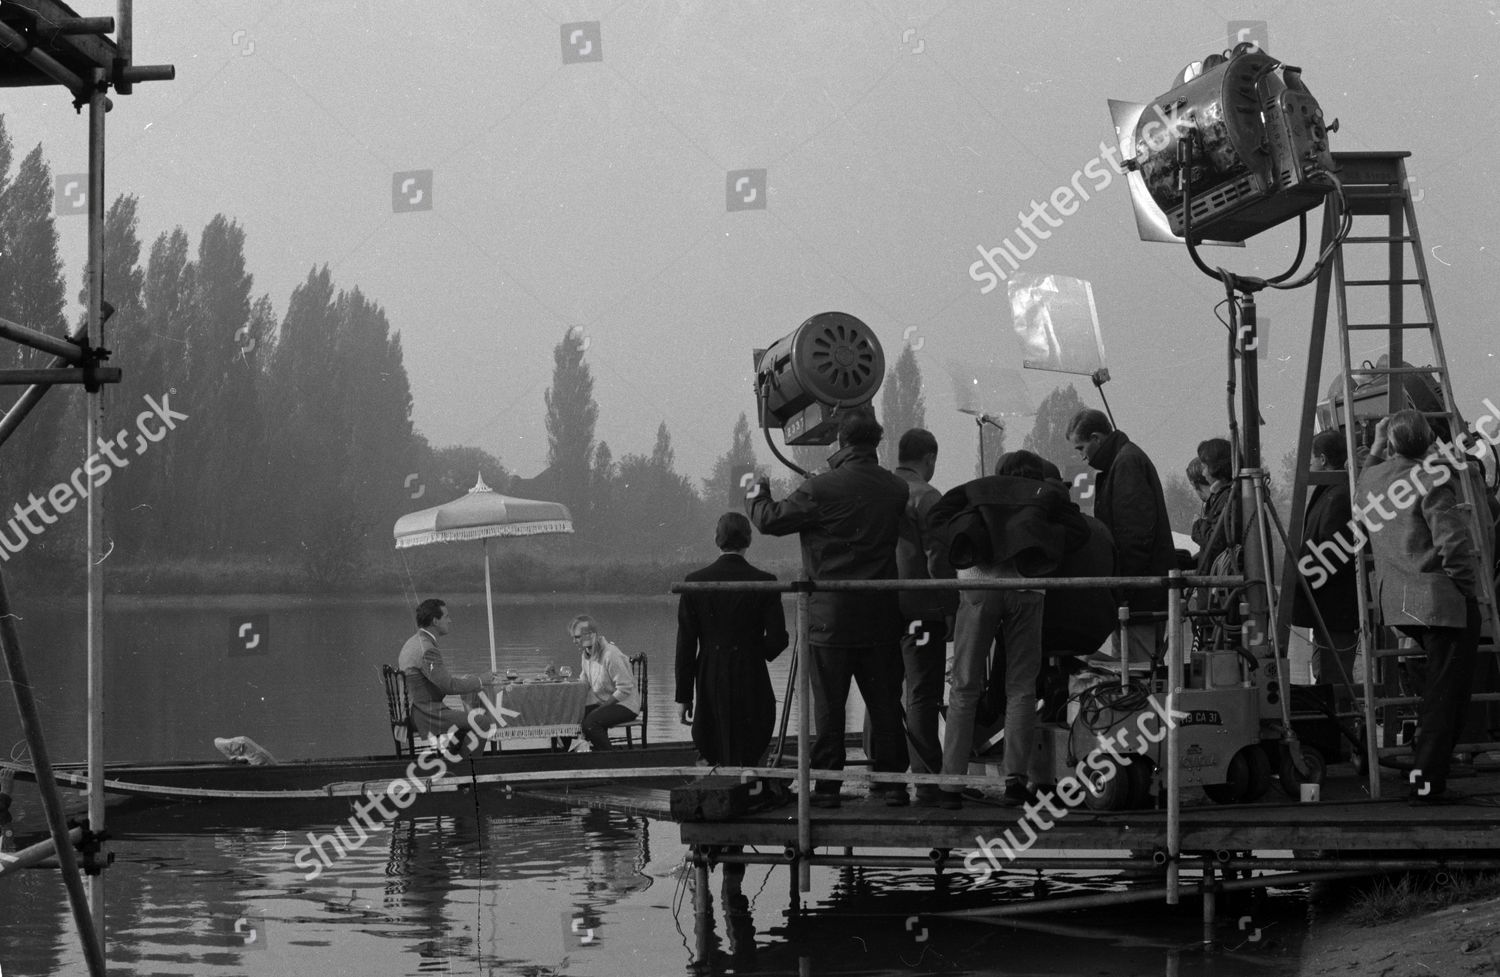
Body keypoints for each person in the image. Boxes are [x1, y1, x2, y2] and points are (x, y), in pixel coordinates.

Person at [746, 407, 910, 808]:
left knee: (830, 709)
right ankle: (892, 786)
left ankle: (828, 789)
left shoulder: (821, 489)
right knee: (885, 704)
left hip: (829, 620)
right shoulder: (896, 489)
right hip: (882, 617)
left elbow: (769, 520)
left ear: (841, 441)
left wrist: (755, 490)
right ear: (876, 442)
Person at [929, 449, 1090, 808]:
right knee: (1021, 687)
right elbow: (1079, 531)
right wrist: (1042, 542)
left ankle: (951, 784)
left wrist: (965, 540)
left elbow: (936, 516)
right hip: (1028, 588)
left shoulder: (978, 487)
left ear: (1001, 471)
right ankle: (1015, 781)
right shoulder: (1043, 494)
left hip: (979, 585)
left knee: (965, 684)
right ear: (1036, 473)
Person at [1357, 410, 1481, 802]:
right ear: (1429, 442)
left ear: (1391, 443)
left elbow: (1366, 472)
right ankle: (1426, 784)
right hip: (1438, 601)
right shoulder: (1432, 479)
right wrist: (1468, 588)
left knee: (1435, 694)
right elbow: (1453, 544)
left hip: (1398, 603)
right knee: (1447, 698)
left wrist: (1377, 443)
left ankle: (1424, 773)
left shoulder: (1371, 481)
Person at [675, 511, 790, 766]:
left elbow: (685, 644)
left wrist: (684, 696)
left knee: (713, 738)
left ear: (717, 540)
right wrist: (752, 650)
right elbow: (778, 639)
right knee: (751, 736)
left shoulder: (694, 582)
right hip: (751, 671)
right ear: (748, 540)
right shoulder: (765, 582)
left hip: (710, 673)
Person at [1066, 409, 1177, 663]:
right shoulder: (1124, 460)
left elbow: (1134, 536)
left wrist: (1123, 588)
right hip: (1139, 593)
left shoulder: (1126, 463)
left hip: (1139, 596)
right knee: (1132, 668)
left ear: (1096, 438)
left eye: (1081, 448)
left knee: (1136, 669)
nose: (1082, 457)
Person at [893, 428, 957, 806]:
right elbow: (938, 558)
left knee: (883, 693)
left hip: (884, 608)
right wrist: (949, 607)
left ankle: (882, 778)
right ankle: (927, 780)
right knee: (922, 694)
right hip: (922, 610)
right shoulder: (927, 497)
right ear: (929, 458)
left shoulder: (883, 491)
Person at [1290, 429, 1361, 701]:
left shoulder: (1338, 495)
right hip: (1326, 606)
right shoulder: (1331, 491)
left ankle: (1343, 733)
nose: (1307, 464)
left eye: (1310, 458)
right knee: (1327, 673)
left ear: (1322, 459)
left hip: (1334, 608)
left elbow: (1332, 554)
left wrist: (1300, 580)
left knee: (1334, 678)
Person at [398, 599, 497, 750]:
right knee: (482, 722)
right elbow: (449, 686)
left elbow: (438, 681)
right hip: (425, 714)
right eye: (446, 617)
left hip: (413, 711)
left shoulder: (413, 642)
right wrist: (480, 680)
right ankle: (468, 769)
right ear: (435, 621)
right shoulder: (427, 649)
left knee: (462, 729)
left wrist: (465, 681)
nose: (450, 621)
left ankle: (455, 762)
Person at [572, 614, 640, 750]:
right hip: (605, 703)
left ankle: (609, 758)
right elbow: (584, 684)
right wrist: (558, 678)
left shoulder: (610, 654)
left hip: (625, 705)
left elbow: (625, 688)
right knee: (570, 717)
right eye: (573, 637)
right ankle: (573, 756)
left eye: (577, 637)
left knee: (591, 723)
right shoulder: (586, 655)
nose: (574, 641)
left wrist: (601, 708)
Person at [1192, 437, 1235, 575]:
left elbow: (1215, 543)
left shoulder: (1228, 498)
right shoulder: (1223, 496)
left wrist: (1198, 525)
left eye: (1205, 467)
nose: (1204, 473)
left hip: (1220, 584)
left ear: (1216, 467)